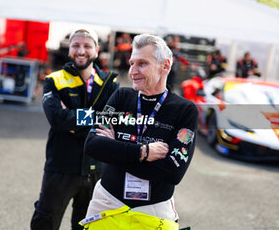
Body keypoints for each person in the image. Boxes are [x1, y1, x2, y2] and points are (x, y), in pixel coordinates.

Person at [82, 34, 198, 228]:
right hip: (107, 201)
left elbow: (173, 172)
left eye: (142, 64)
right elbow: (92, 145)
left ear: (165, 66)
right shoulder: (120, 96)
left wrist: (114, 150)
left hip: (154, 210)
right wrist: (143, 152)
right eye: (132, 63)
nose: (133, 71)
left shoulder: (185, 110)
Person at [30, 28, 119, 230]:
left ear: (96, 50)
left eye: (87, 46)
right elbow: (57, 119)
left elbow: (111, 120)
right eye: (76, 45)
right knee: (45, 222)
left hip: (97, 169)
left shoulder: (110, 82)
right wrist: (94, 118)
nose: (81, 50)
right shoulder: (54, 80)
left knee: (89, 226)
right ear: (69, 49)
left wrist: (73, 120)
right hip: (61, 166)